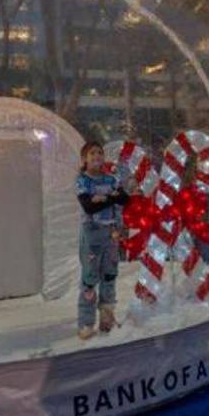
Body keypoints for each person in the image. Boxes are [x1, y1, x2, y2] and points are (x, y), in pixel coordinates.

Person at [75, 141, 128, 339]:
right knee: (89, 279)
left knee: (110, 276)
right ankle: (86, 323)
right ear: (84, 159)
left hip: (111, 234)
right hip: (92, 234)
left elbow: (125, 199)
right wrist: (111, 197)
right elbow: (89, 206)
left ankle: (107, 319)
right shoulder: (83, 181)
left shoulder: (112, 178)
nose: (97, 156)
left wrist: (104, 198)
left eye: (100, 152)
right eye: (92, 153)